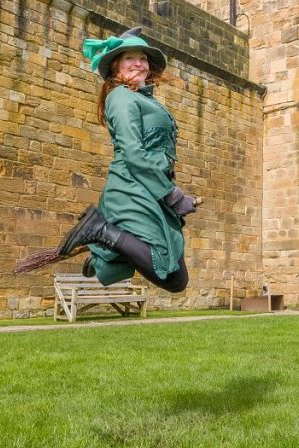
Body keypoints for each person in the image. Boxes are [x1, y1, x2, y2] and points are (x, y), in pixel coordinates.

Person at [56, 28, 197, 292]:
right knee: (173, 278)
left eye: (142, 58)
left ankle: (105, 249)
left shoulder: (143, 99)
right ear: (116, 66)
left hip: (149, 189)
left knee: (178, 276)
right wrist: (173, 197)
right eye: (129, 58)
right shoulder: (120, 97)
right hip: (131, 189)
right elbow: (132, 152)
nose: (138, 63)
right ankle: (100, 231)